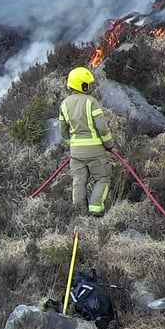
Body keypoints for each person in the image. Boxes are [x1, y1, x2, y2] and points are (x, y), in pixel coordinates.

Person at [58, 66, 114, 217]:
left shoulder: (64, 104)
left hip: (75, 153)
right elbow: (102, 127)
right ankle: (96, 209)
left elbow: (62, 131)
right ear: (81, 84)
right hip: (95, 151)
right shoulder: (91, 102)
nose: (90, 86)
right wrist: (109, 144)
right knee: (103, 178)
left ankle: (79, 212)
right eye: (87, 83)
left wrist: (72, 143)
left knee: (78, 181)